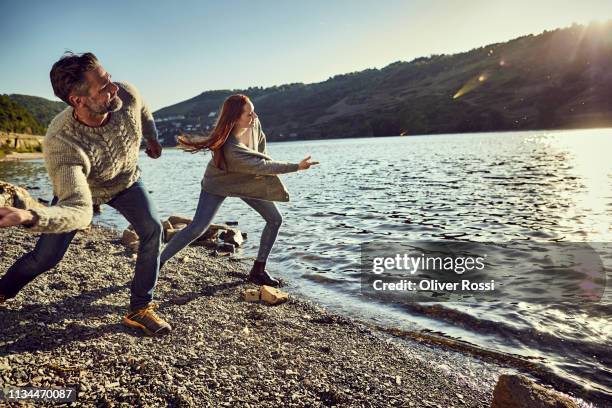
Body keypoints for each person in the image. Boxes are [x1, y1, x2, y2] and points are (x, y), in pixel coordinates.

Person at [0, 52, 171, 336]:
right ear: (78, 100)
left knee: (153, 229)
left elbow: (143, 108)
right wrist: (31, 214)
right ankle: (3, 289)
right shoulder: (62, 141)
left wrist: (152, 138)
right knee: (45, 259)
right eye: (103, 87)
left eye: (109, 80)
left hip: (127, 182)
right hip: (84, 193)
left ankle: (140, 309)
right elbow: (79, 210)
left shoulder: (125, 94)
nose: (114, 88)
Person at [160, 94, 318, 286]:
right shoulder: (231, 149)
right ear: (235, 118)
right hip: (218, 183)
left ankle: (258, 270)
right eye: (249, 114)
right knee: (198, 228)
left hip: (245, 181)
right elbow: (262, 166)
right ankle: (158, 262)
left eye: (253, 112)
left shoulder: (253, 125)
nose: (254, 117)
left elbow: (261, 152)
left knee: (275, 219)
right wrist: (296, 166)